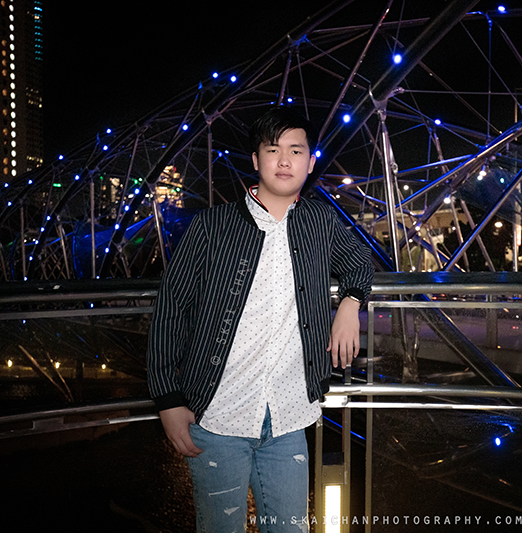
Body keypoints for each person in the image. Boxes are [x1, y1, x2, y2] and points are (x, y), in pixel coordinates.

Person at [147, 106, 374, 532]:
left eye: (296, 150)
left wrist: (349, 304)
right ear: (256, 161)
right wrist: (168, 400)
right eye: (273, 150)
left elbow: (360, 263)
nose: (285, 160)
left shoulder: (319, 222)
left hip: (289, 415)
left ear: (310, 162)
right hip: (217, 416)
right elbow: (171, 310)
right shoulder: (212, 227)